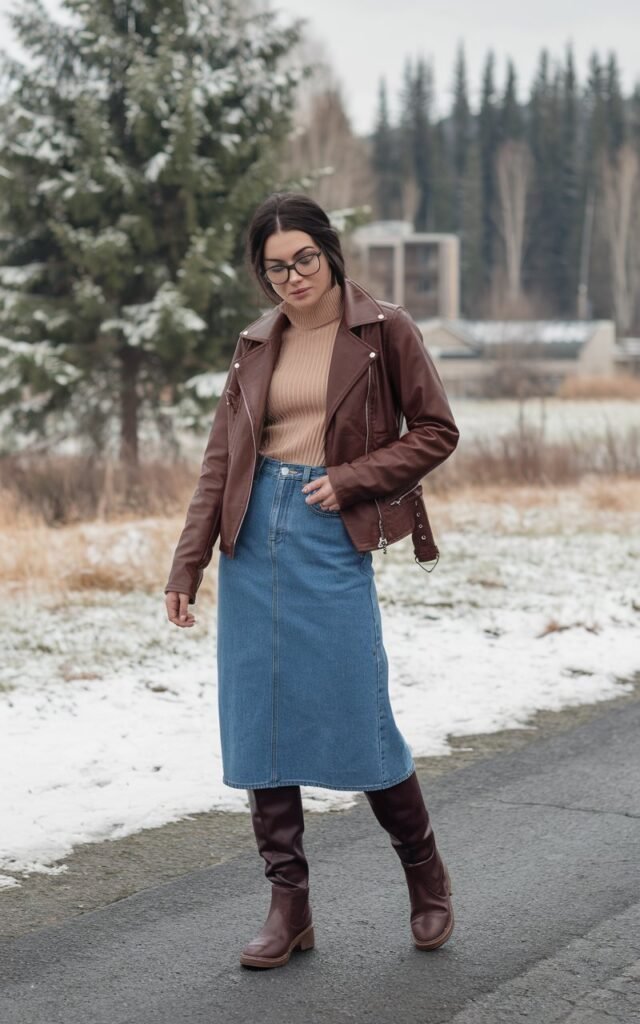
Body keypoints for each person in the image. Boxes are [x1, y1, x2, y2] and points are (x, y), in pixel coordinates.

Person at [164, 192, 460, 970]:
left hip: (331, 534)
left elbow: (437, 431)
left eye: (301, 259)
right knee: (259, 720)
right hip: (250, 538)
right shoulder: (256, 343)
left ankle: (426, 876)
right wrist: (187, 564)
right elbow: (221, 461)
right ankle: (288, 905)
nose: (290, 278)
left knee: (356, 711)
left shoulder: (382, 330)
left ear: (328, 253)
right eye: (273, 268)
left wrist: (355, 477)